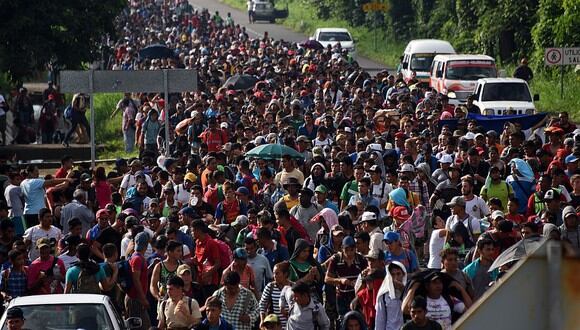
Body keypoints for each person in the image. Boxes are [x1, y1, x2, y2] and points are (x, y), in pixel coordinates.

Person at [125, 232, 151, 330]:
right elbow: (136, 279)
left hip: (137, 298)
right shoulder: (137, 259)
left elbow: (140, 276)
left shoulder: (138, 257)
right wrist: (143, 298)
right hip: (135, 299)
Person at [374, 261, 407, 330]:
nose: (396, 278)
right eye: (393, 275)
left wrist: (403, 290)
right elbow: (380, 321)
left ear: (403, 275)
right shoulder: (383, 295)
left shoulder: (410, 293)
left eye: (398, 274)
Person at [259, 261, 292, 328]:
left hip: (291, 325)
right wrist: (262, 320)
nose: (274, 276)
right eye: (274, 273)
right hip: (274, 326)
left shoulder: (293, 287)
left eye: (277, 273)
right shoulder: (270, 287)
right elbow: (262, 304)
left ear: (285, 274)